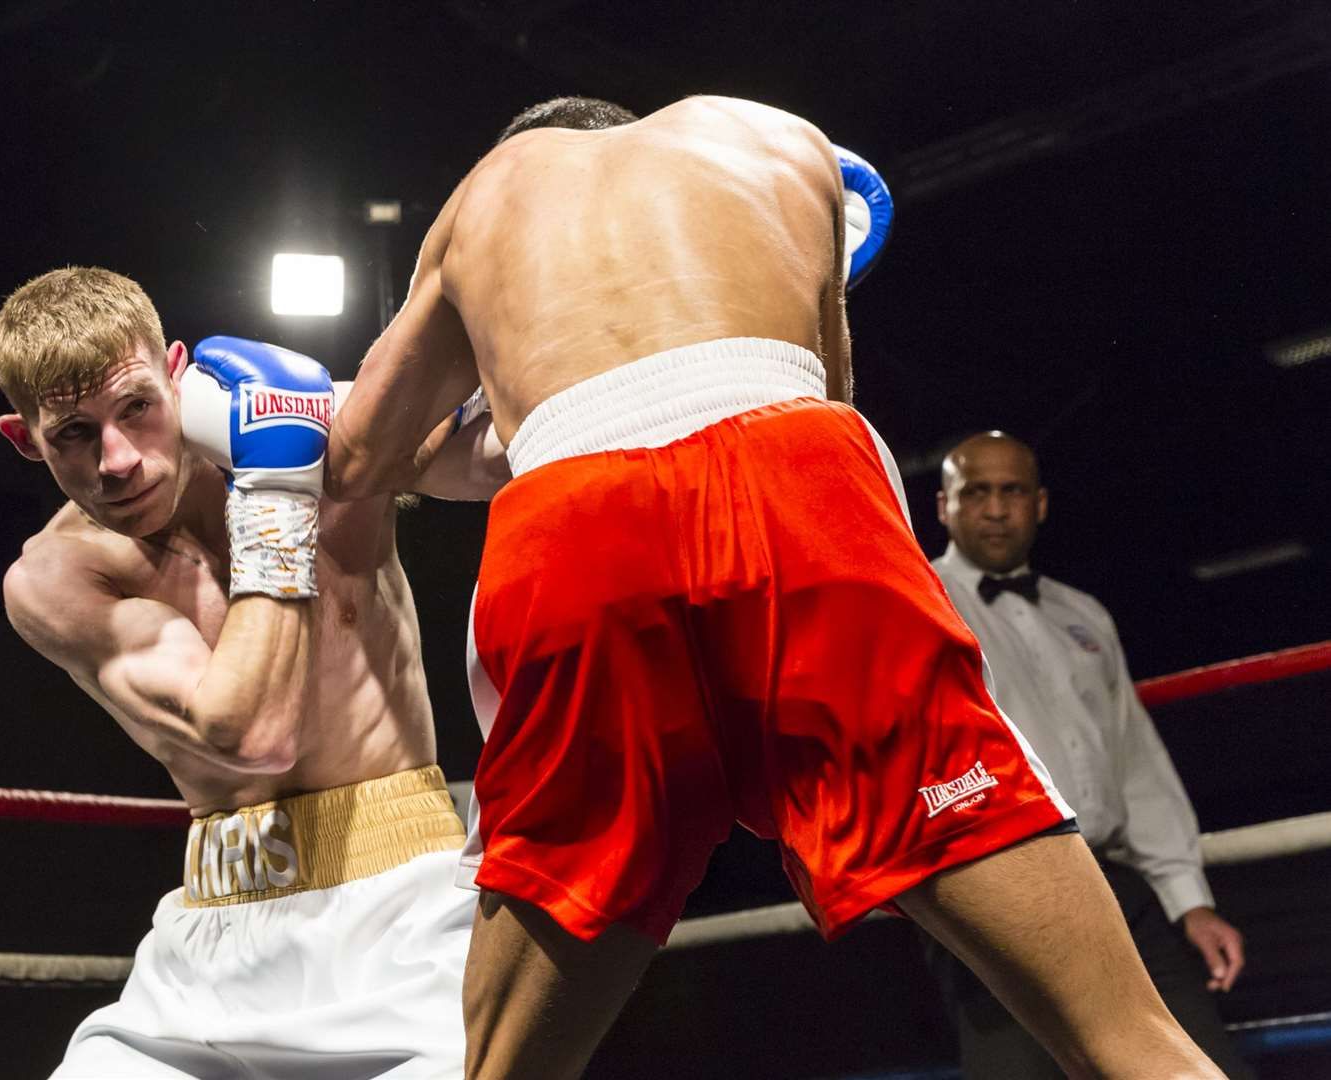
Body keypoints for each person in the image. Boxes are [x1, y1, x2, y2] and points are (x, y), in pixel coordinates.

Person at [327, 95, 1224, 1079]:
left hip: (576, 522)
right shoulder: (775, 139)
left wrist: (494, 423)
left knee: (502, 1066)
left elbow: (364, 452)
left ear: (532, 146)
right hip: (799, 482)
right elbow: (821, 397)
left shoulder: (485, 195)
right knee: (1127, 1036)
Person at [0, 266, 505, 1078]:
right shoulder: (59, 577)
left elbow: (493, 458)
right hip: (210, 944)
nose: (117, 460)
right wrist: (274, 485)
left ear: (176, 374)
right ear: (24, 440)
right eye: (74, 435)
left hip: (398, 916)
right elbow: (253, 732)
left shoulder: (308, 424)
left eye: (135, 410)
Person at [927, 430, 1254, 1078]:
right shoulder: (919, 602)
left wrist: (1189, 900)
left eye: (1012, 491)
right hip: (998, 886)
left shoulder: (1084, 615)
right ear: (943, 506)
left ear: (1039, 503)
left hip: (1116, 883)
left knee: (1208, 1067)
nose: (995, 509)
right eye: (976, 492)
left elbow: (1134, 766)